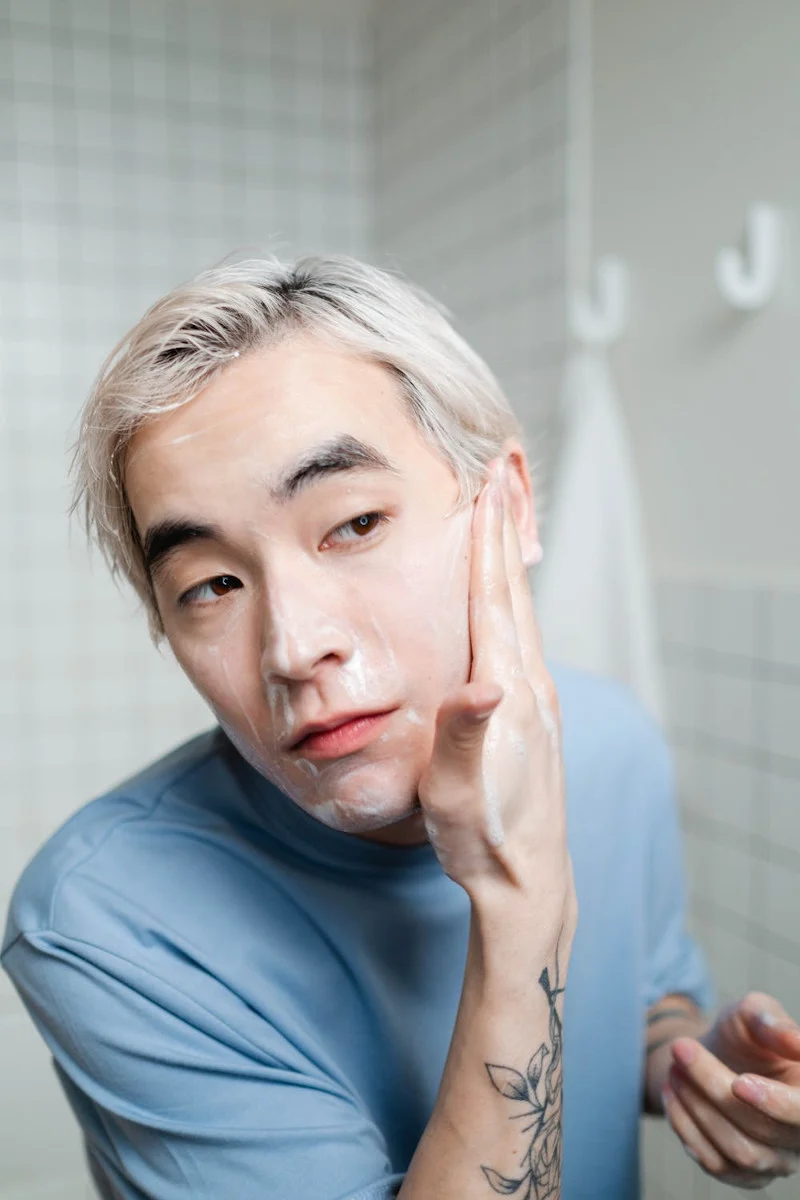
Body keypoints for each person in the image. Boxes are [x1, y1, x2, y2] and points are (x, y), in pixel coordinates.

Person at [3, 257, 799, 1200]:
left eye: (354, 524)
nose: (292, 647)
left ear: (508, 507)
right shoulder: (108, 925)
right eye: (212, 584)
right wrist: (520, 900)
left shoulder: (610, 743)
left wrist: (683, 1063)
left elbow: (644, 990)